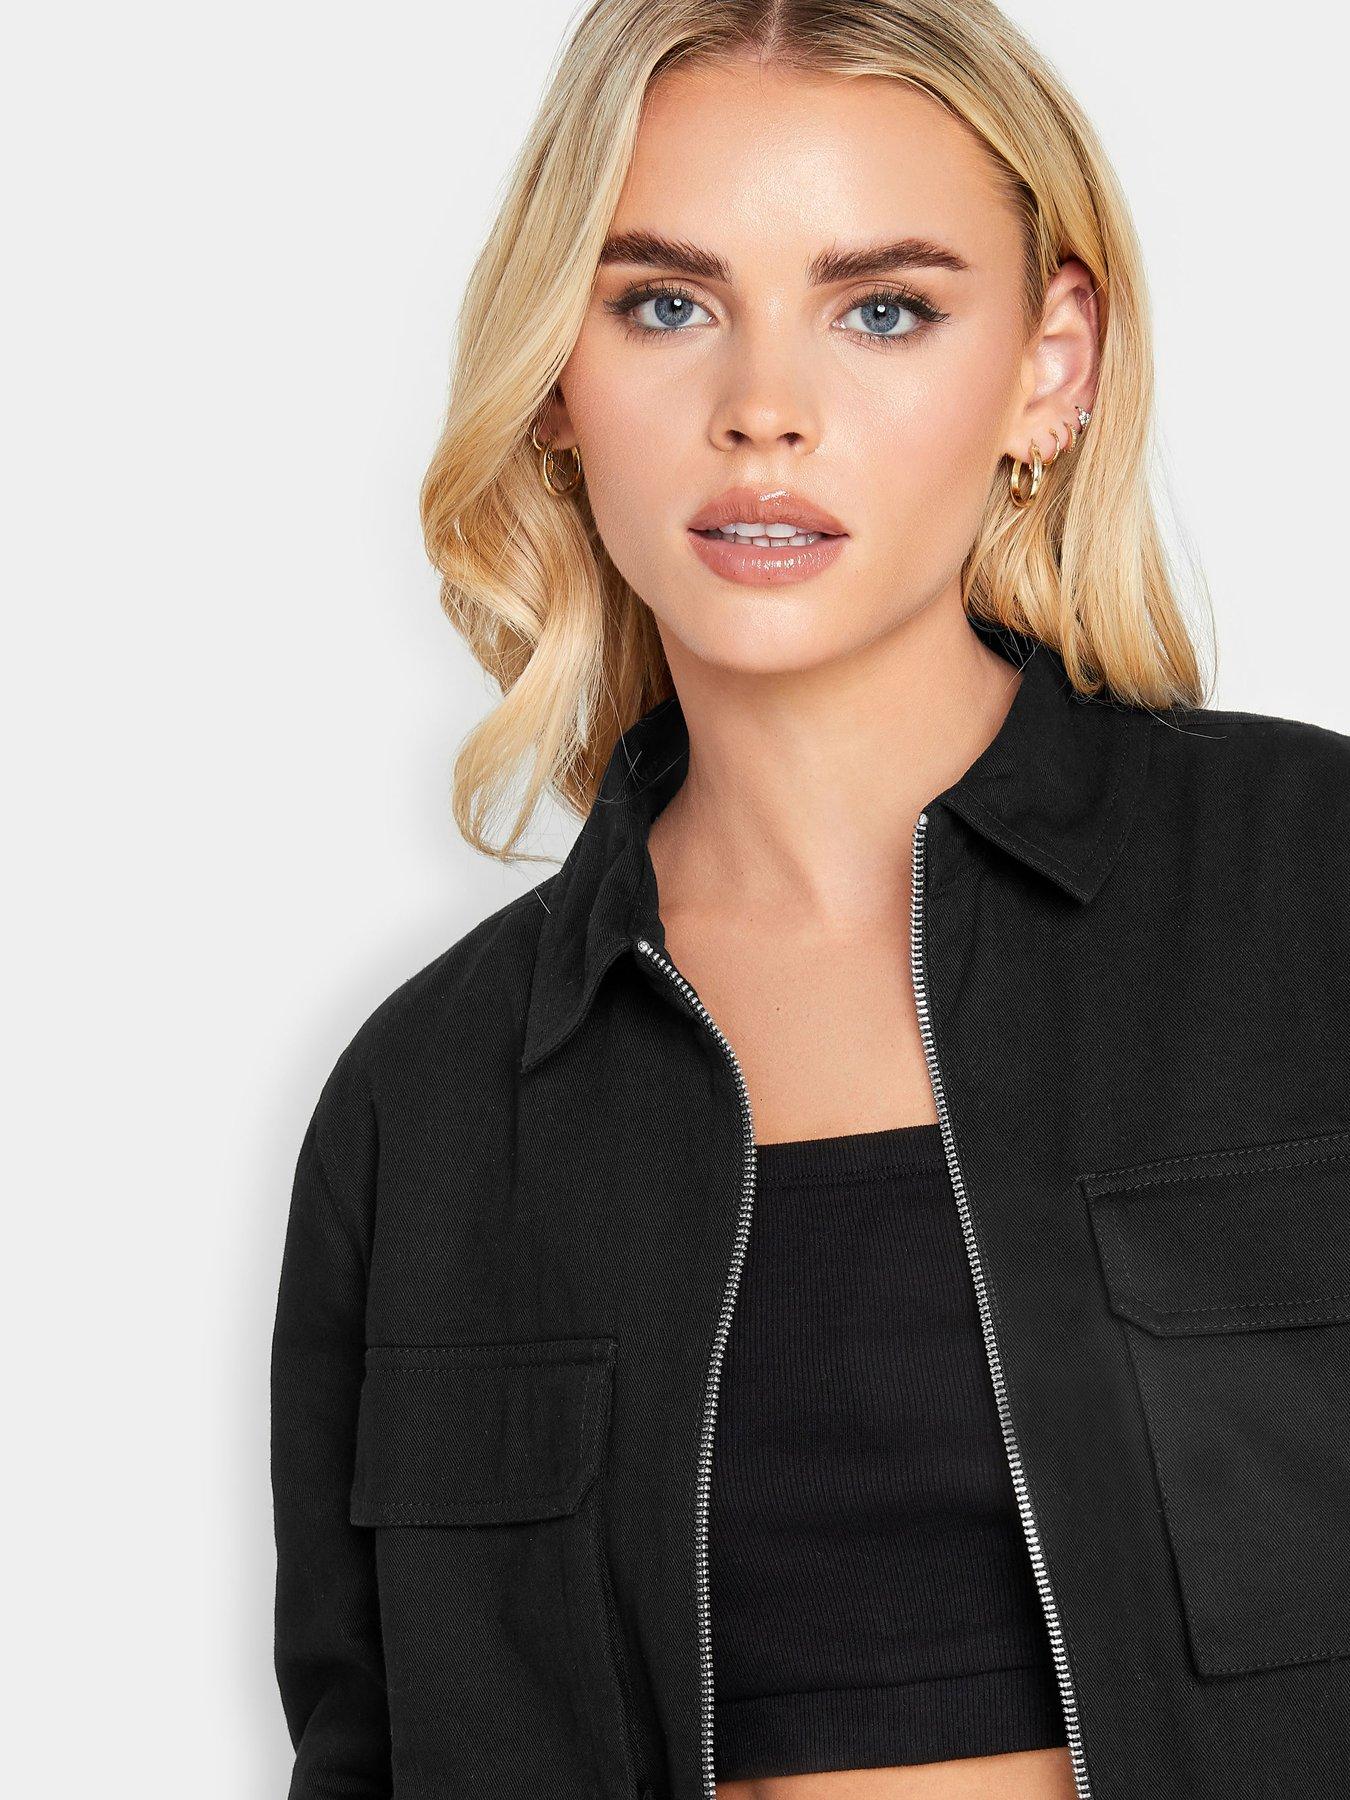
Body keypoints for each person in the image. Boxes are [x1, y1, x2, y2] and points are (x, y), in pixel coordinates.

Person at [269, 3, 1350, 1797]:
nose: (761, 409)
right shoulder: (431, 1100)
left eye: (884, 309)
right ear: (557, 378)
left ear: (1049, 366)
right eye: (662, 304)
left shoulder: (1308, 894)